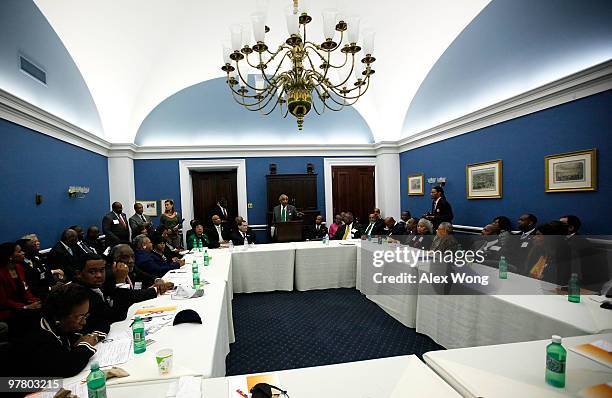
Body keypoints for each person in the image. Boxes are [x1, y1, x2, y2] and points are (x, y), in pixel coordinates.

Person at [13, 283, 98, 377]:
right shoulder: (37, 337)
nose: (84, 322)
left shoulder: (57, 324)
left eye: (85, 315)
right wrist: (86, 345)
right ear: (60, 315)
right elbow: (67, 367)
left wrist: (78, 339)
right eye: (80, 317)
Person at [104, 245, 167, 320]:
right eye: (125, 257)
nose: (131, 261)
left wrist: (157, 280)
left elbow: (147, 277)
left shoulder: (132, 268)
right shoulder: (108, 276)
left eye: (132, 256)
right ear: (113, 261)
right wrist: (155, 289)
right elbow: (128, 297)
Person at [73, 253, 119, 338]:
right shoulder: (78, 296)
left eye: (102, 270)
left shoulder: (102, 285)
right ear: (78, 274)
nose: (99, 275)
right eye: (92, 272)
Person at [0, 242, 41, 323]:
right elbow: (3, 301)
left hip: (24, 303)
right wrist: (25, 307)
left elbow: (26, 290)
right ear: (10, 257)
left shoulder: (19, 268)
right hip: (9, 310)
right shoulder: (1, 273)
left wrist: (35, 301)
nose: (23, 253)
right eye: (19, 252)